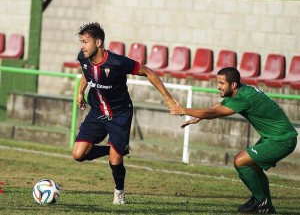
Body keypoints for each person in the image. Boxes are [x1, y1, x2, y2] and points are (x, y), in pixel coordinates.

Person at [72, 22, 175, 204]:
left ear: (98, 42)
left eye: (85, 42)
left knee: (115, 161)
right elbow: (85, 72)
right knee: (78, 155)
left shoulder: (118, 62)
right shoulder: (83, 57)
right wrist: (80, 92)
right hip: (97, 111)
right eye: (81, 41)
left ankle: (119, 191)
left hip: (120, 114)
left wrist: (168, 99)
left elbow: (148, 72)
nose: (82, 46)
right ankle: (114, 150)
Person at [169, 67, 298, 214]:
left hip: (281, 140)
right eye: (217, 82)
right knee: (254, 167)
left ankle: (260, 200)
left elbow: (215, 112)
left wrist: (184, 110)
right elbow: (219, 105)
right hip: (276, 137)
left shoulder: (244, 98)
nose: (218, 86)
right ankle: (265, 205)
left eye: (222, 83)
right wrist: (198, 118)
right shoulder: (242, 91)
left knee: (240, 161)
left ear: (233, 85)